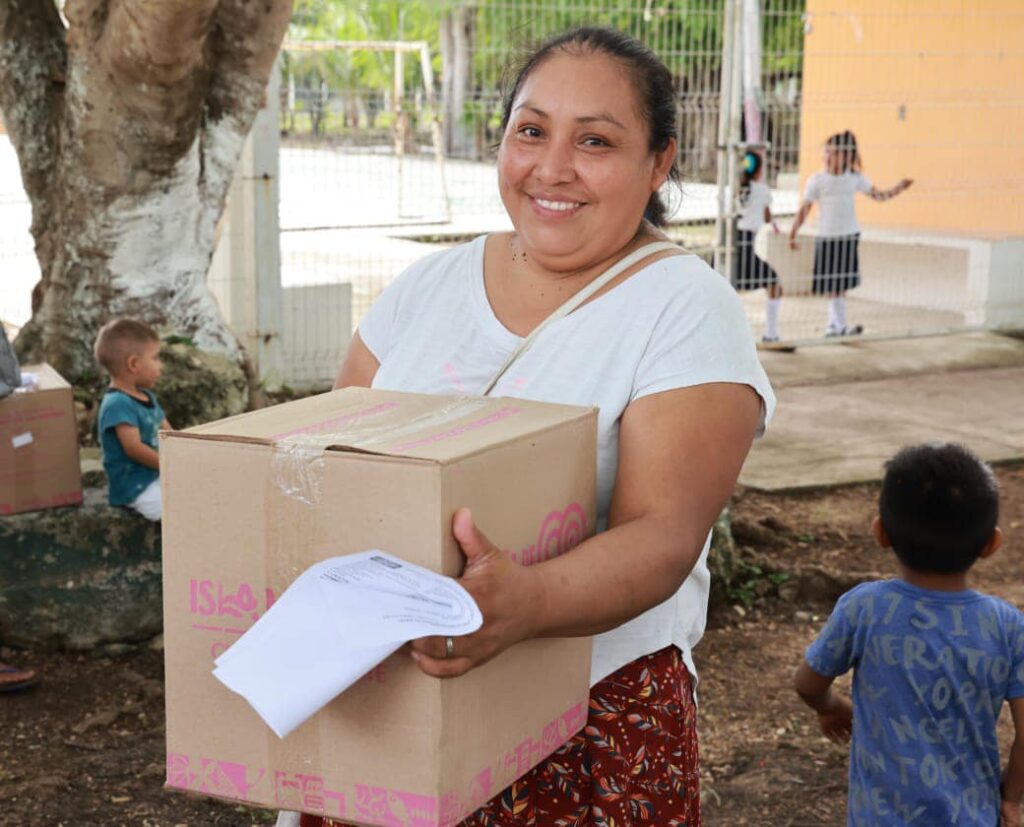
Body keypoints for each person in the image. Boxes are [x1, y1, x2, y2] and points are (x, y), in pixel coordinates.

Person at [298, 26, 774, 827]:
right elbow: (332, 462)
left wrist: (525, 601)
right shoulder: (427, 286)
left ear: (659, 161)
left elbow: (663, 535)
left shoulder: (685, 309)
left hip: (580, 730)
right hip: (388, 705)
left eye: (595, 141)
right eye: (531, 131)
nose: (552, 168)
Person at [793, 443, 1024, 827]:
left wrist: (831, 707)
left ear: (880, 532)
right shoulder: (1007, 626)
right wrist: (1012, 798)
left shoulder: (864, 608)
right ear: (991, 543)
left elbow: (807, 683)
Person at [788, 130, 912, 337]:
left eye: (834, 153)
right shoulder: (817, 180)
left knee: (842, 282)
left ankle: (837, 324)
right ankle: (836, 324)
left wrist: (898, 189)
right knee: (830, 282)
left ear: (846, 156)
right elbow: (805, 209)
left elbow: (879, 196)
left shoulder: (854, 179)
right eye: (826, 152)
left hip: (848, 235)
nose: (828, 157)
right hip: (827, 236)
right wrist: (793, 232)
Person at [93, 319, 171, 521]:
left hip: (156, 474)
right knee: (177, 511)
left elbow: (168, 433)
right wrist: (170, 464)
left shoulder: (146, 396)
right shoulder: (117, 404)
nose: (161, 366)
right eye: (155, 358)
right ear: (133, 364)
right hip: (136, 486)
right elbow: (134, 448)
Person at [733, 150, 784, 343]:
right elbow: (767, 217)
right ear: (759, 170)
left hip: (731, 245)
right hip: (747, 246)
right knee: (775, 284)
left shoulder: (736, 188)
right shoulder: (762, 190)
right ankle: (771, 333)